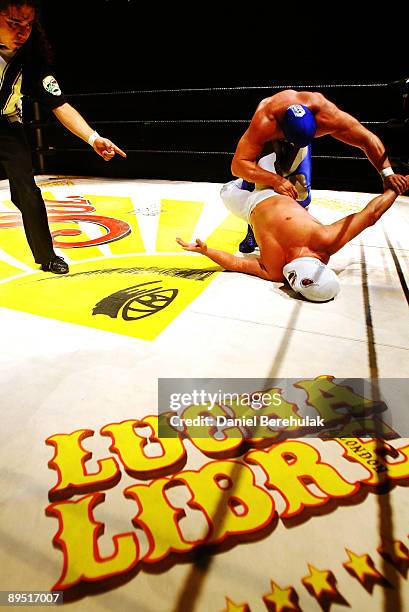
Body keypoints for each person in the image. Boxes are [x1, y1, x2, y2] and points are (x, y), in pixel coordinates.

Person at [0, 0, 126, 274]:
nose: (22, 32)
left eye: (28, 25)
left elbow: (60, 104)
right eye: (13, 23)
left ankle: (46, 256)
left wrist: (94, 138)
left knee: (28, 191)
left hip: (7, 125)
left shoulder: (30, 59)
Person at [176, 176, 409, 302]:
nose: (287, 281)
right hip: (280, 186)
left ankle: (249, 185)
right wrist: (396, 187)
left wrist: (206, 251)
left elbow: (236, 263)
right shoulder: (325, 241)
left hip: (248, 207)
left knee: (226, 189)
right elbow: (370, 215)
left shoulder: (275, 270)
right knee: (263, 155)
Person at [232, 89, 408, 253]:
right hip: (268, 141)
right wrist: (276, 180)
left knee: (299, 192)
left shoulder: (326, 114)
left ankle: (286, 234)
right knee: (260, 183)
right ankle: (252, 226)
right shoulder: (265, 119)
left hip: (300, 139)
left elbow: (366, 138)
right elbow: (238, 165)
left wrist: (387, 173)